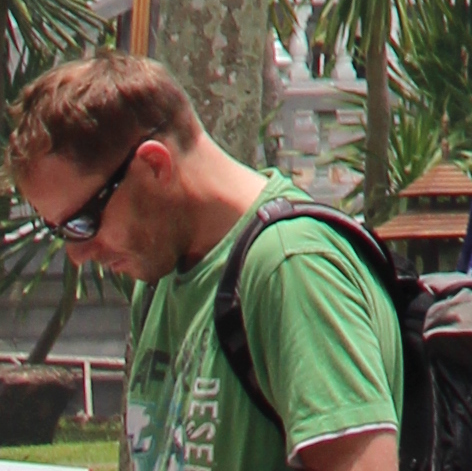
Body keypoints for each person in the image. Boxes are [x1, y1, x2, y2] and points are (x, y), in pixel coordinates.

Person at [9, 50, 405, 471]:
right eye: (61, 231)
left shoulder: (293, 268)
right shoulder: (160, 278)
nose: (76, 254)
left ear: (154, 165)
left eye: (83, 222)